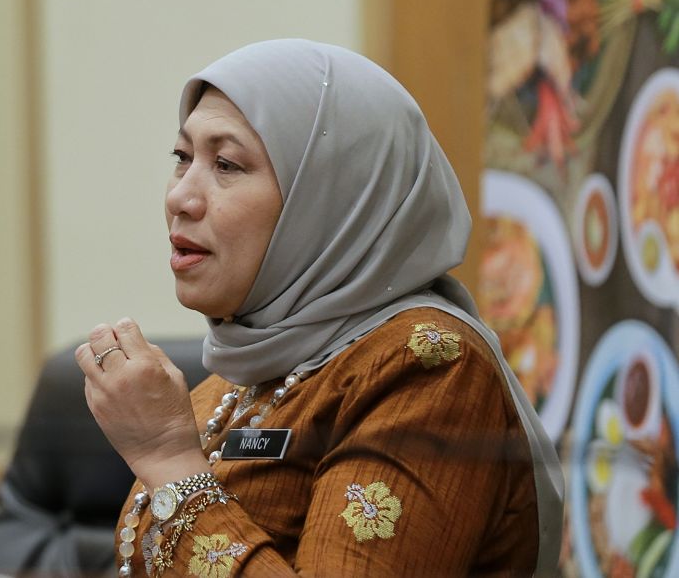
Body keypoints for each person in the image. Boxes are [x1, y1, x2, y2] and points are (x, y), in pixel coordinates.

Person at [74, 39, 563, 576]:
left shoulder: (426, 366)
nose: (180, 197)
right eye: (182, 157)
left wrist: (170, 462)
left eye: (227, 164)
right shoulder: (238, 378)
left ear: (331, 195)